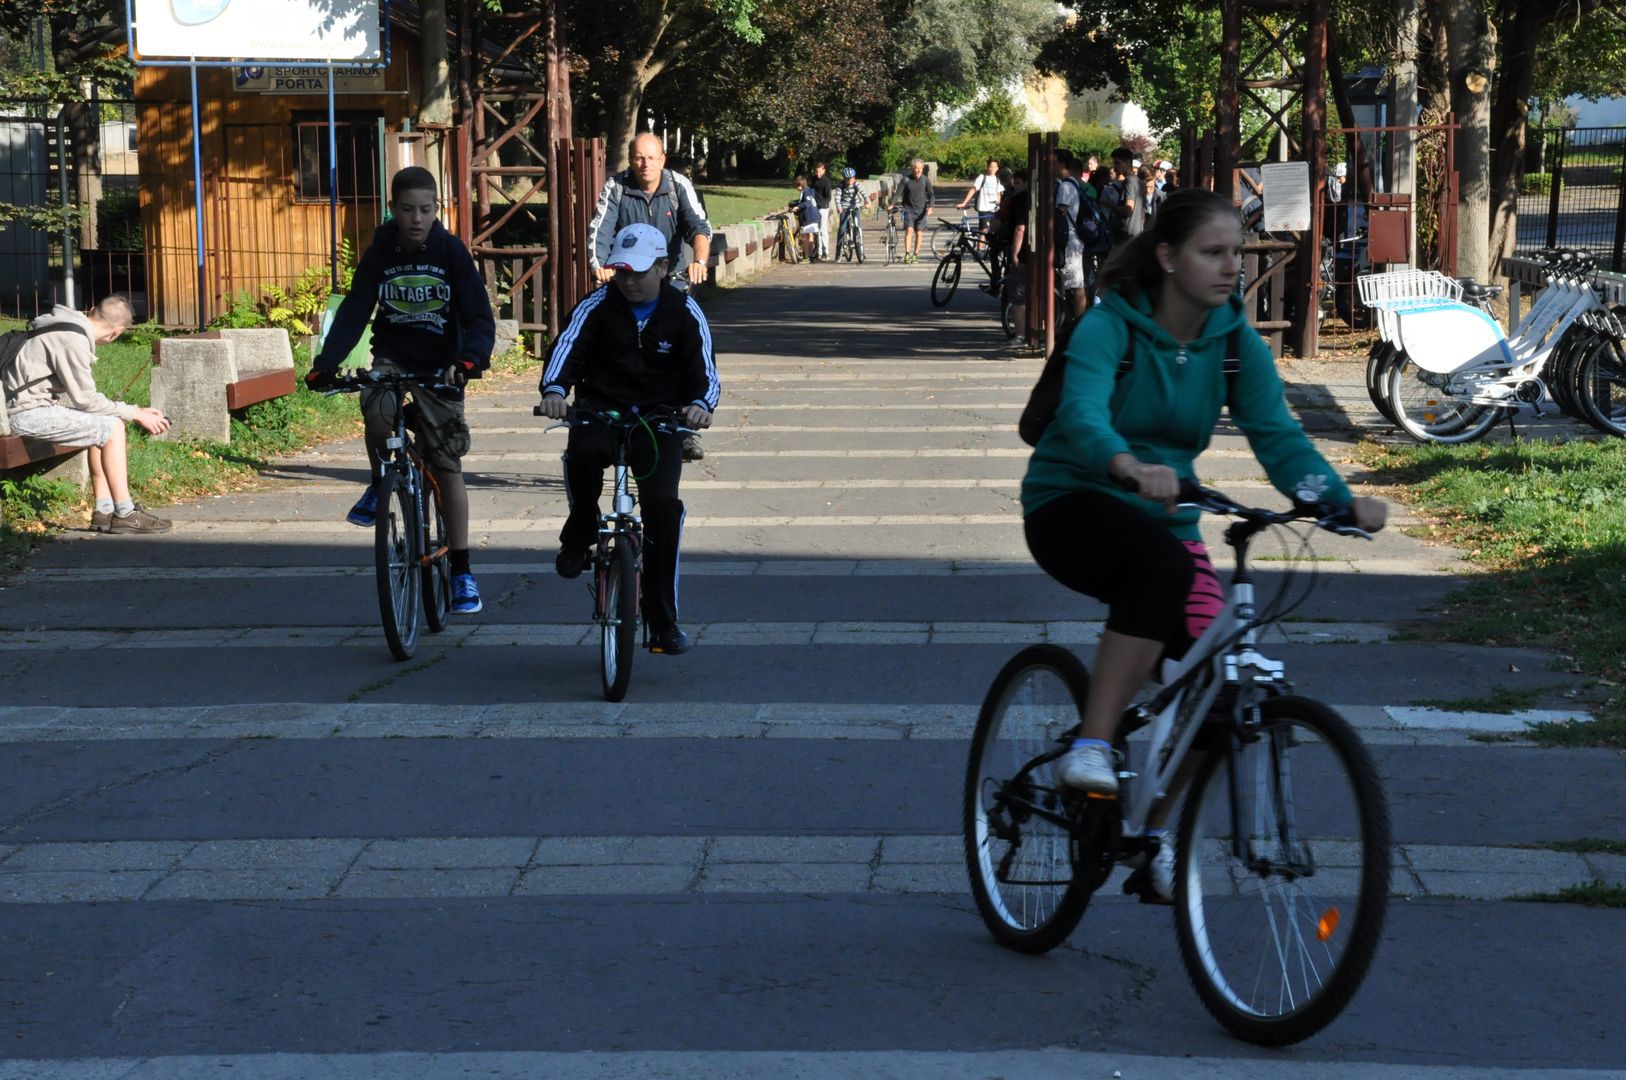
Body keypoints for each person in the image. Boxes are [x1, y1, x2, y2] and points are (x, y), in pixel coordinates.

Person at [1021, 188, 1387, 898]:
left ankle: (1149, 832)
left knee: (1225, 683)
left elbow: (1277, 435)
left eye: (1236, 254)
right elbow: (1083, 413)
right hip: (1073, 500)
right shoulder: (1111, 325)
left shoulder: (1232, 344)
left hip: (1166, 515)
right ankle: (1092, 744)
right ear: (1167, 257)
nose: (1230, 268)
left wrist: (1336, 501)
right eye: (1212, 253)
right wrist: (1126, 464)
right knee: (1157, 570)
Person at [306, 165, 495, 615]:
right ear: (393, 208)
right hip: (393, 357)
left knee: (446, 466)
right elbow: (355, 310)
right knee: (376, 411)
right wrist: (327, 363)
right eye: (408, 209)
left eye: (426, 210)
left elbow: (478, 317)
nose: (417, 218)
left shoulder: (450, 252)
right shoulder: (381, 253)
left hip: (443, 367)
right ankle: (380, 483)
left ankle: (462, 571)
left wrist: (468, 361)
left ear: (436, 209)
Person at [538, 224, 721, 656]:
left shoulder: (684, 310)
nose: (629, 281)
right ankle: (580, 527)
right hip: (602, 410)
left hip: (660, 419)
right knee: (582, 451)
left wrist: (700, 405)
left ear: (663, 268)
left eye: (638, 272)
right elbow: (566, 350)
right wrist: (555, 391)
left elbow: (706, 373)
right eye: (621, 272)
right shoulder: (596, 305)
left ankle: (662, 620)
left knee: (663, 508)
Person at [1, 294, 171, 533]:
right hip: (25, 414)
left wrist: (135, 410)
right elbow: (86, 400)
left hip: (23, 408)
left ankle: (104, 510)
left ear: (91, 310)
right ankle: (125, 513)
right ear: (116, 333)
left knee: (104, 423)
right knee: (112, 427)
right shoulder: (72, 339)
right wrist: (135, 414)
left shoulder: (66, 325)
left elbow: (87, 404)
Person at [589, 133, 713, 293]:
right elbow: (600, 231)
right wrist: (600, 266)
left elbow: (699, 228)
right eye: (639, 158)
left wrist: (699, 263)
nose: (646, 164)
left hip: (671, 281)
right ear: (631, 161)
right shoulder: (616, 187)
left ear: (662, 160)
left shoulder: (679, 186)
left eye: (651, 158)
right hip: (629, 284)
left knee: (680, 307)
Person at [1053, 150, 1088, 320]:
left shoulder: (1065, 186)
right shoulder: (1072, 183)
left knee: (1076, 285)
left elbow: (1061, 213)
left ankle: (1078, 323)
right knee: (1072, 284)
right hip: (1073, 239)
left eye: (1053, 162)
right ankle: (1071, 320)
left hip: (1070, 239)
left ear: (1061, 164)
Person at [891, 158, 934, 264]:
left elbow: (931, 195)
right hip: (908, 209)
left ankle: (915, 254)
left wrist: (930, 207)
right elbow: (898, 193)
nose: (918, 170)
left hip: (921, 210)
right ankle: (907, 254)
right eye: (916, 168)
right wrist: (892, 204)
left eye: (920, 168)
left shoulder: (925, 180)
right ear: (912, 168)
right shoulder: (906, 180)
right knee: (909, 230)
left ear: (922, 169)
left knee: (919, 232)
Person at [1096, 146, 1137, 249]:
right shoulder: (1138, 181)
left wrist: (1111, 206)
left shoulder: (1129, 181)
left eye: (1117, 163)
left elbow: (1128, 210)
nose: (1114, 167)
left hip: (1127, 236)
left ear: (1127, 162)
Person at [956, 157, 1004, 236]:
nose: (992, 169)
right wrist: (964, 203)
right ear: (987, 167)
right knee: (983, 233)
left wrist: (999, 207)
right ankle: (979, 245)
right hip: (983, 208)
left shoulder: (997, 180)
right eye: (990, 166)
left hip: (994, 210)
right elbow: (973, 190)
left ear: (997, 168)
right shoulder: (982, 177)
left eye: (994, 167)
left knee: (993, 232)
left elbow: (998, 194)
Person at [833, 166, 870, 256]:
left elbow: (863, 193)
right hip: (844, 208)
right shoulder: (840, 186)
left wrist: (868, 202)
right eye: (847, 180)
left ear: (854, 178)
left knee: (858, 227)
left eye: (851, 179)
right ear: (844, 179)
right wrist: (839, 207)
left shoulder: (856, 184)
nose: (850, 182)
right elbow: (837, 197)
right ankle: (838, 251)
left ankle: (861, 250)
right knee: (842, 228)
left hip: (855, 206)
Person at [790, 174, 822, 262]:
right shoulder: (810, 191)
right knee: (810, 235)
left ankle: (806, 256)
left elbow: (807, 203)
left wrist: (798, 207)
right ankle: (811, 256)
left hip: (809, 217)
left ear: (800, 184)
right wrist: (798, 203)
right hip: (815, 216)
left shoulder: (805, 192)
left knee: (804, 237)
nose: (796, 188)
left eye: (797, 185)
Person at [811, 162, 835, 260]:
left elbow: (828, 197)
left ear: (823, 171)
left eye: (819, 172)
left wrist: (822, 205)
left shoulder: (826, 182)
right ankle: (818, 252)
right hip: (814, 208)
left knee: (822, 230)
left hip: (823, 208)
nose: (818, 174)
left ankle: (826, 252)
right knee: (816, 230)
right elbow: (811, 191)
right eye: (816, 172)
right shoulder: (813, 179)